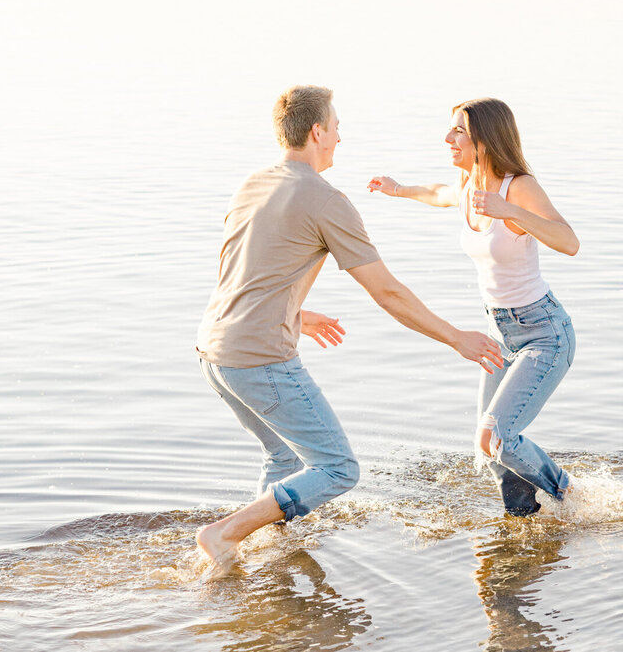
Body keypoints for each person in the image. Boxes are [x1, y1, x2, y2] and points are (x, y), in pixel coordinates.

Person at [195, 85, 503, 572]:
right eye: (336, 128)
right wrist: (456, 337)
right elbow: (388, 293)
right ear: (317, 132)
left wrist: (296, 313)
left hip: (215, 352)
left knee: (285, 460)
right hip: (260, 359)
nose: (340, 137)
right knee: (338, 468)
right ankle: (223, 534)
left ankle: (262, 560)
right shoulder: (325, 199)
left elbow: (239, 272)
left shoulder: (252, 183)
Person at [367, 98, 580, 516]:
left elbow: (569, 241)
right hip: (499, 334)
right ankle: (523, 523)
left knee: (496, 435)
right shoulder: (468, 187)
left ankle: (572, 496)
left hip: (544, 333)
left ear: (485, 138)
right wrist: (397, 189)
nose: (448, 138)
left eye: (458, 131)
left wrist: (511, 211)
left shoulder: (516, 187)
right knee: (490, 452)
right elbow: (436, 192)